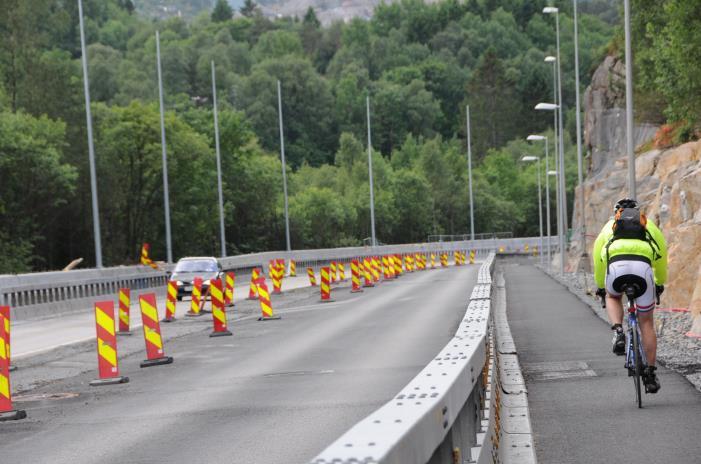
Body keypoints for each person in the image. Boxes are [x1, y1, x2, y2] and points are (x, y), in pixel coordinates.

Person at [592, 198, 667, 394]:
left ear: (616, 213)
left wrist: (601, 286)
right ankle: (650, 374)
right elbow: (661, 256)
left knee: (612, 296)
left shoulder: (608, 227)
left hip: (616, 268)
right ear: (637, 214)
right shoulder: (648, 225)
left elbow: (599, 259)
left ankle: (618, 331)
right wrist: (659, 282)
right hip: (642, 269)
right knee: (647, 323)